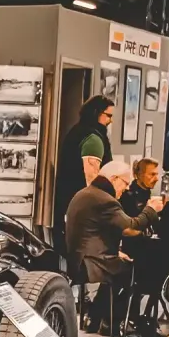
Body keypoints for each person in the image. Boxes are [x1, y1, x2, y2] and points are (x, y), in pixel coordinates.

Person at [65, 159, 164, 331]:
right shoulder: (104, 199)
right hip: (91, 263)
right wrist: (151, 210)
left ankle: (101, 318)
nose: (126, 188)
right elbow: (130, 228)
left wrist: (115, 251)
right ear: (114, 178)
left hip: (80, 259)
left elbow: (91, 234)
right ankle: (118, 321)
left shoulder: (87, 194)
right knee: (140, 273)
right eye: (125, 183)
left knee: (124, 268)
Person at [53, 95, 115, 245]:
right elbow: (92, 179)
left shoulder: (77, 131)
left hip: (68, 201)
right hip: (83, 205)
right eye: (108, 116)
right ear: (97, 113)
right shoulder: (93, 139)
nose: (111, 121)